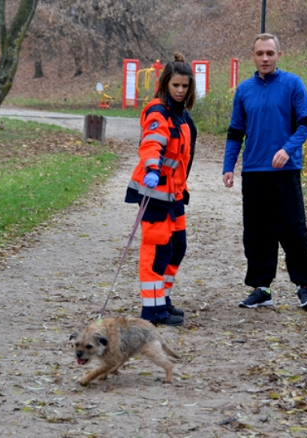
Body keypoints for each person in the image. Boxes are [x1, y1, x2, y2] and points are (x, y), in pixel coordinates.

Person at [222, 33, 307, 310]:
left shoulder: (292, 84)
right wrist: (229, 166)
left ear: (278, 55)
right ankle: (261, 288)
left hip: (285, 170)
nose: (265, 58)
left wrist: (288, 149)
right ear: (252, 56)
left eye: (270, 53)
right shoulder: (244, 90)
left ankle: (305, 287)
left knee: (293, 230)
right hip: (253, 171)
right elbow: (235, 132)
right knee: (257, 232)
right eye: (260, 53)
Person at [125, 53, 197, 327]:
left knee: (177, 248)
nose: (180, 91)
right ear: (165, 84)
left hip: (175, 195)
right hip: (154, 194)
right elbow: (151, 144)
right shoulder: (158, 112)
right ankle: (152, 311)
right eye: (175, 85)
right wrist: (153, 169)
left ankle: (162, 299)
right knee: (157, 251)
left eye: (185, 86)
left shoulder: (181, 116)